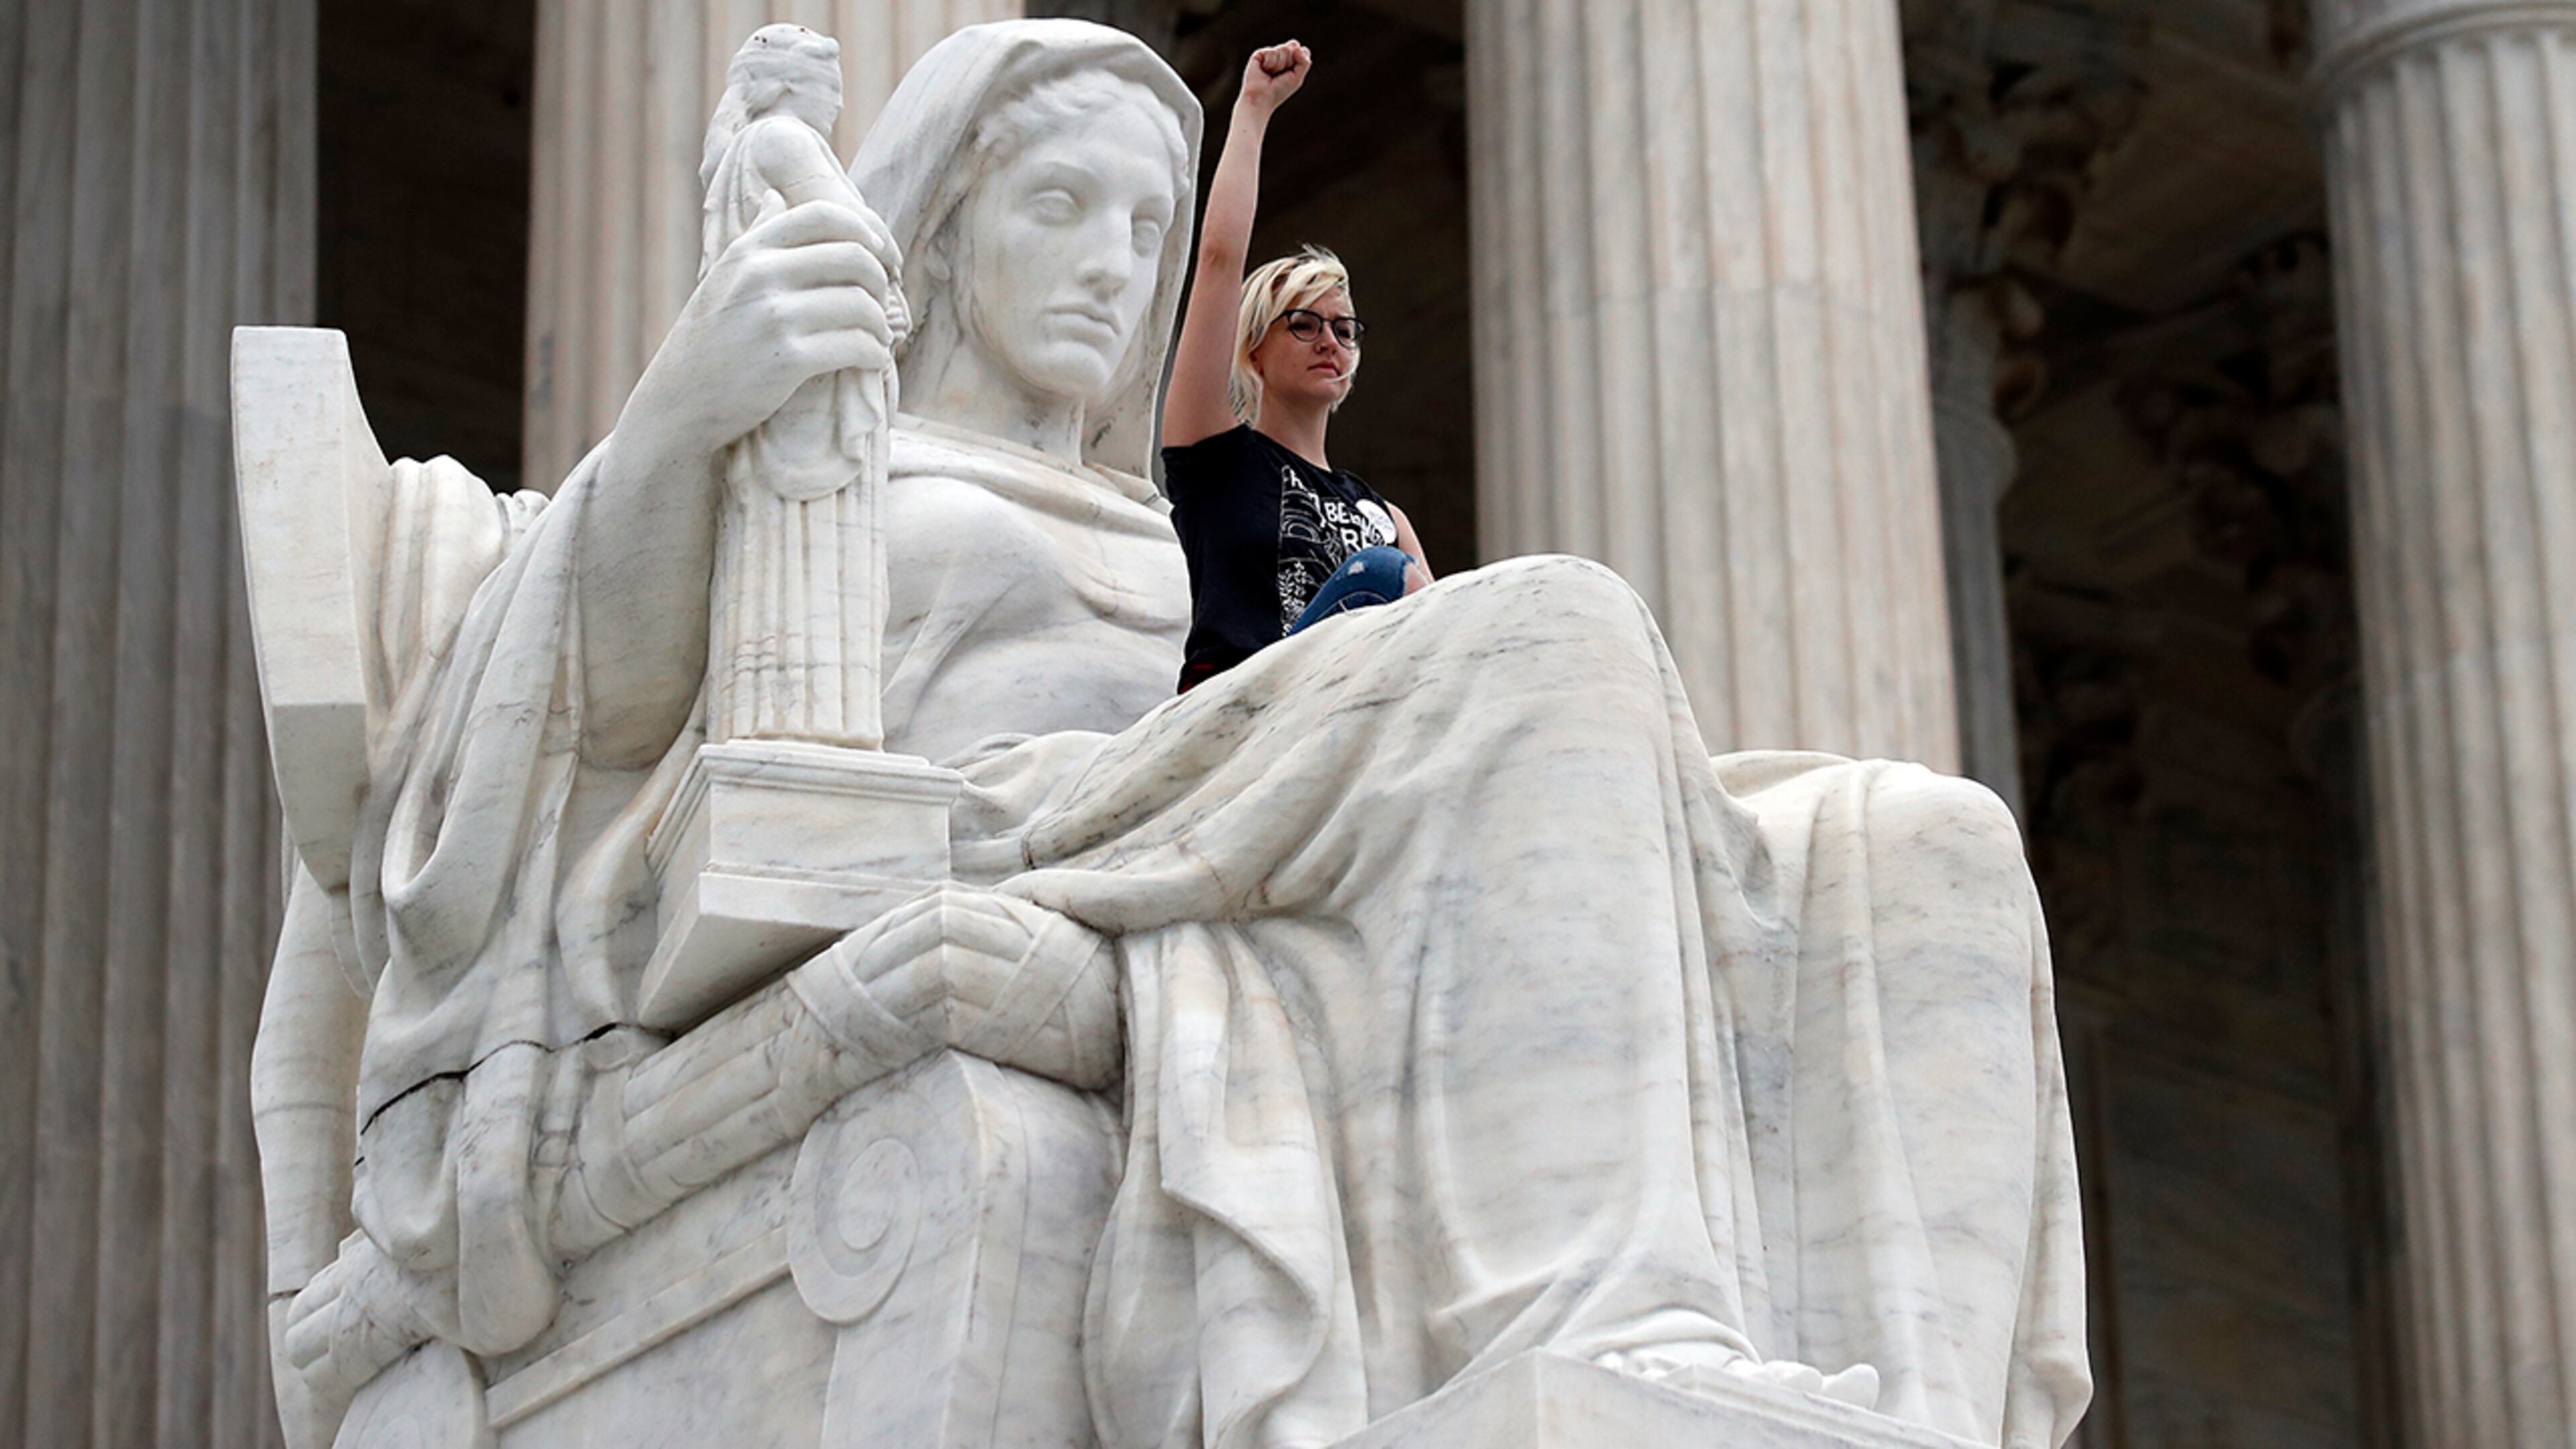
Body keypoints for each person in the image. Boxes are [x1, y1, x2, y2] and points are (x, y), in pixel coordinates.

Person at [258, 20, 2088, 1449]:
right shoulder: (812, 454)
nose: (1116, 267)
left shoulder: (1170, 515)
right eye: (1060, 205)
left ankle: (1880, 1394)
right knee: (1556, 630)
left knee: (1919, 841)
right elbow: (577, 731)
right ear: (945, 216)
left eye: (1147, 225)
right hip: (988, 831)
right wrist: (684, 412)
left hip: (1224, 833)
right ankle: (1597, 1319)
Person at [1159, 42, 1432, 690]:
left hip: (1357, 707)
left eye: (1344, 330)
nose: (1328, 342)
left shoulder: (1384, 515)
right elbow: (1220, 263)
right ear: (1254, 346)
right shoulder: (1218, 460)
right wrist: (1254, 108)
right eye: (1303, 324)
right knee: (1387, 574)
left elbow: (1440, 630)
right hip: (1246, 707)